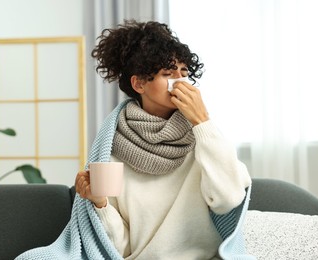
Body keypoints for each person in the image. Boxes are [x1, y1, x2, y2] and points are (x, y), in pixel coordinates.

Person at [75, 20, 252, 259]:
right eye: (168, 74)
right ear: (139, 84)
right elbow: (120, 249)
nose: (179, 82)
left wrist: (202, 122)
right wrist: (100, 203)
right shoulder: (112, 151)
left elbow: (228, 200)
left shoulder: (204, 142)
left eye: (185, 73)